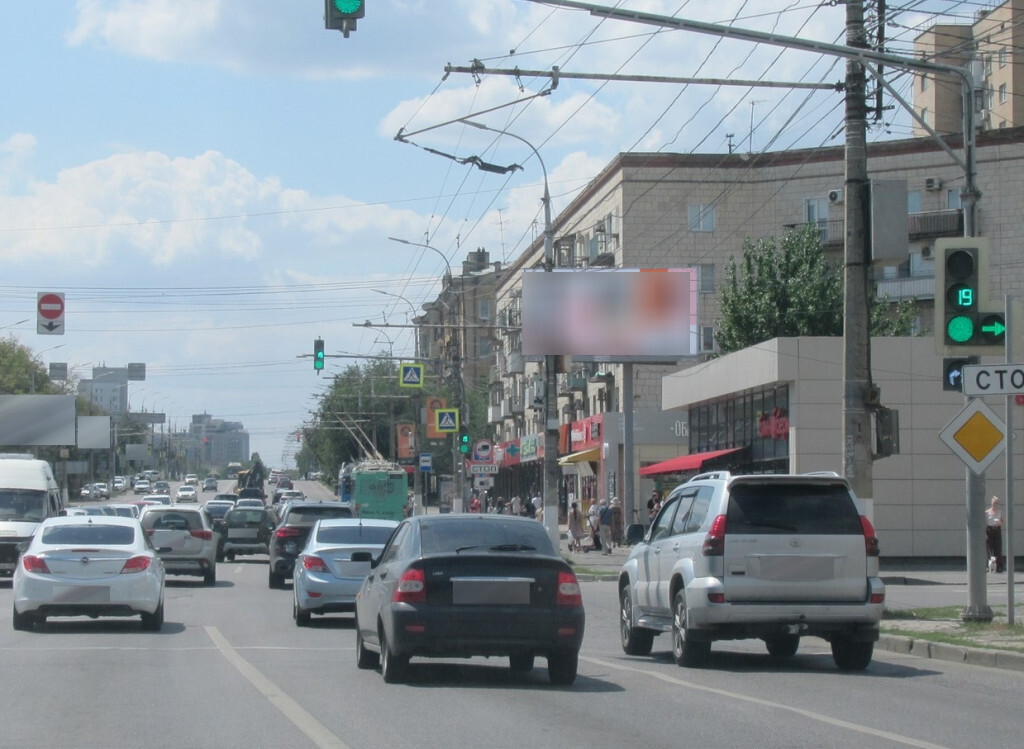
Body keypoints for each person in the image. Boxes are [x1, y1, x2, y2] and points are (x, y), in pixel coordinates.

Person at [986, 495, 1005, 573]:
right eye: (994, 503)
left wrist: (999, 522)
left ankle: (999, 566)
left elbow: (1002, 522)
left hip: (997, 529)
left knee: (998, 547)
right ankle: (989, 566)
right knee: (989, 547)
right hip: (989, 529)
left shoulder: (1000, 512)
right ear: (991, 503)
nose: (995, 504)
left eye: (997, 503)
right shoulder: (987, 512)